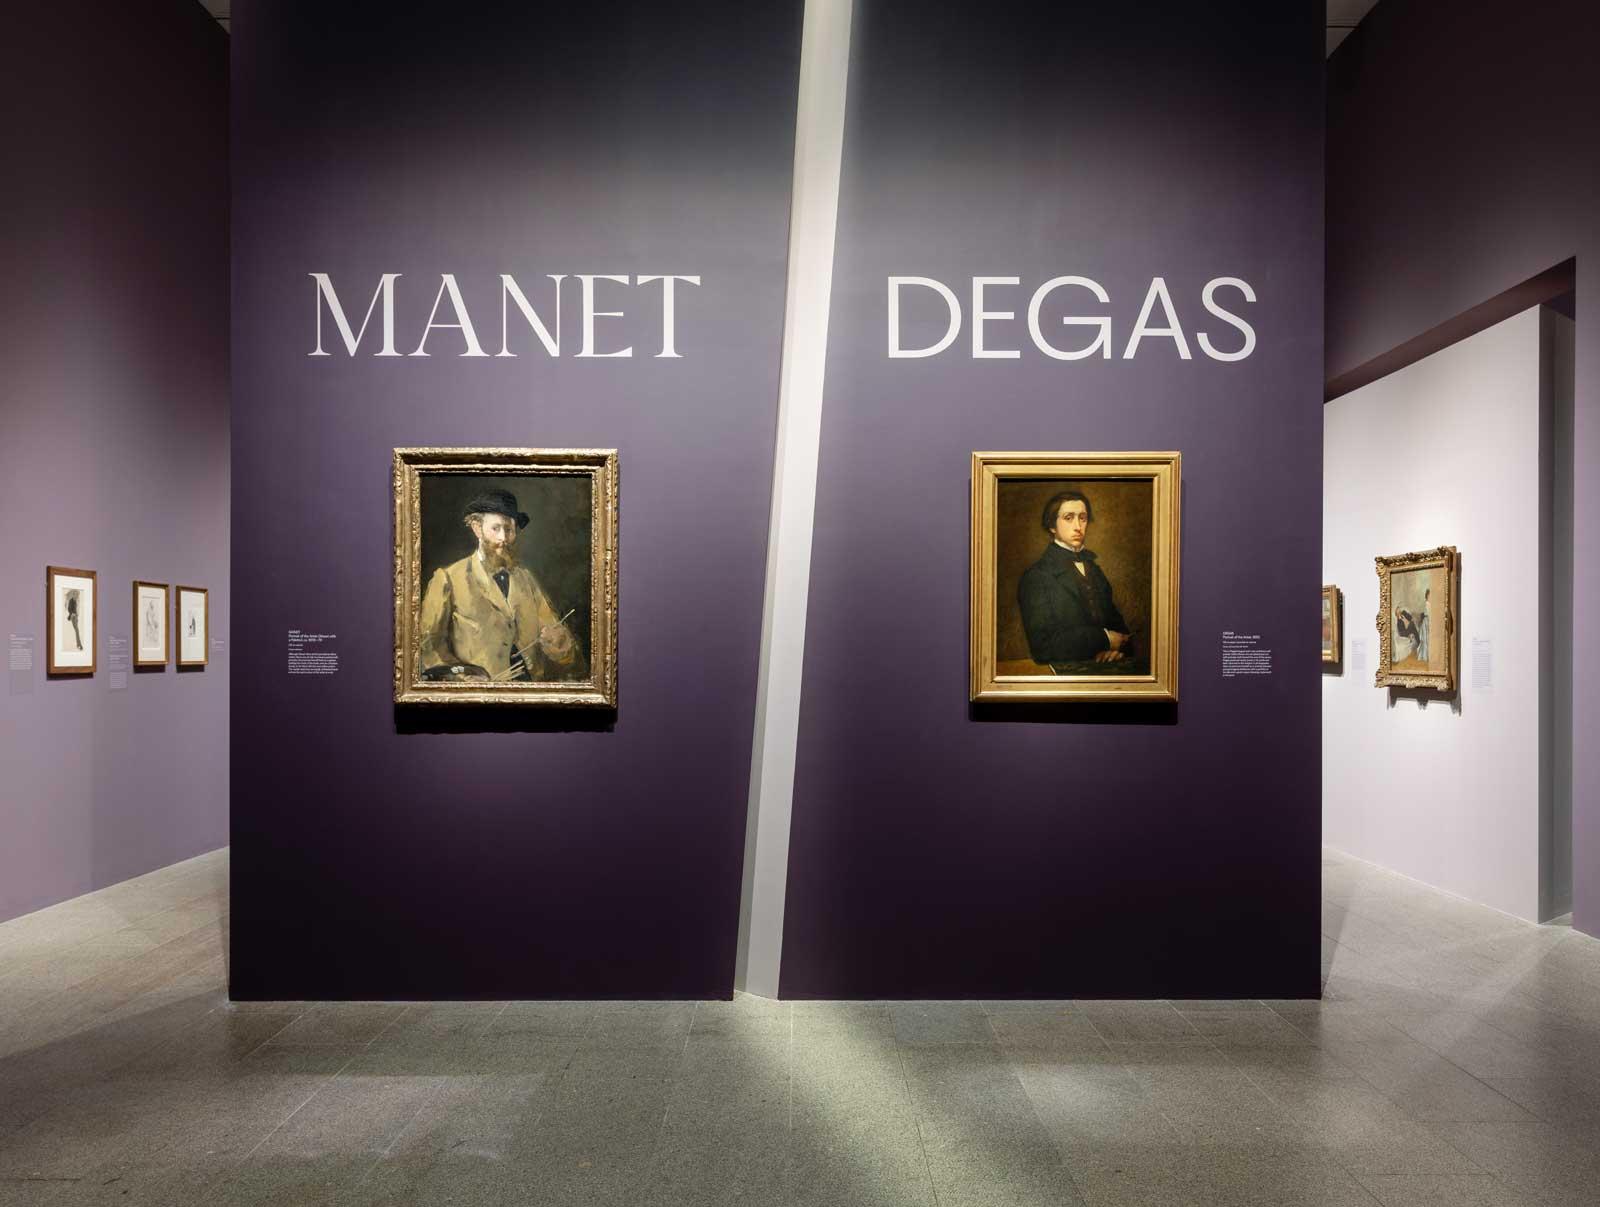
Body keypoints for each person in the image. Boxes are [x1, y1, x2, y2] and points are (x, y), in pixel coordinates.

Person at [417, 488, 586, 682]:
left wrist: (562, 648)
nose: (503, 538)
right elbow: (429, 647)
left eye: (509, 530)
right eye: (496, 528)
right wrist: (462, 679)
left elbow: (555, 637)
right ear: (477, 528)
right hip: (477, 695)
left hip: (529, 692)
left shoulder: (526, 579)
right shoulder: (448, 579)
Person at [1017, 489, 1133, 667]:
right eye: (1069, 518)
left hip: (1107, 668)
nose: (1078, 526)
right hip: (1063, 675)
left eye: (1083, 518)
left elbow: (1120, 630)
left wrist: (1116, 650)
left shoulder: (1095, 571)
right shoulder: (1036, 577)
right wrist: (1104, 640)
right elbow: (1043, 648)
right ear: (1052, 526)